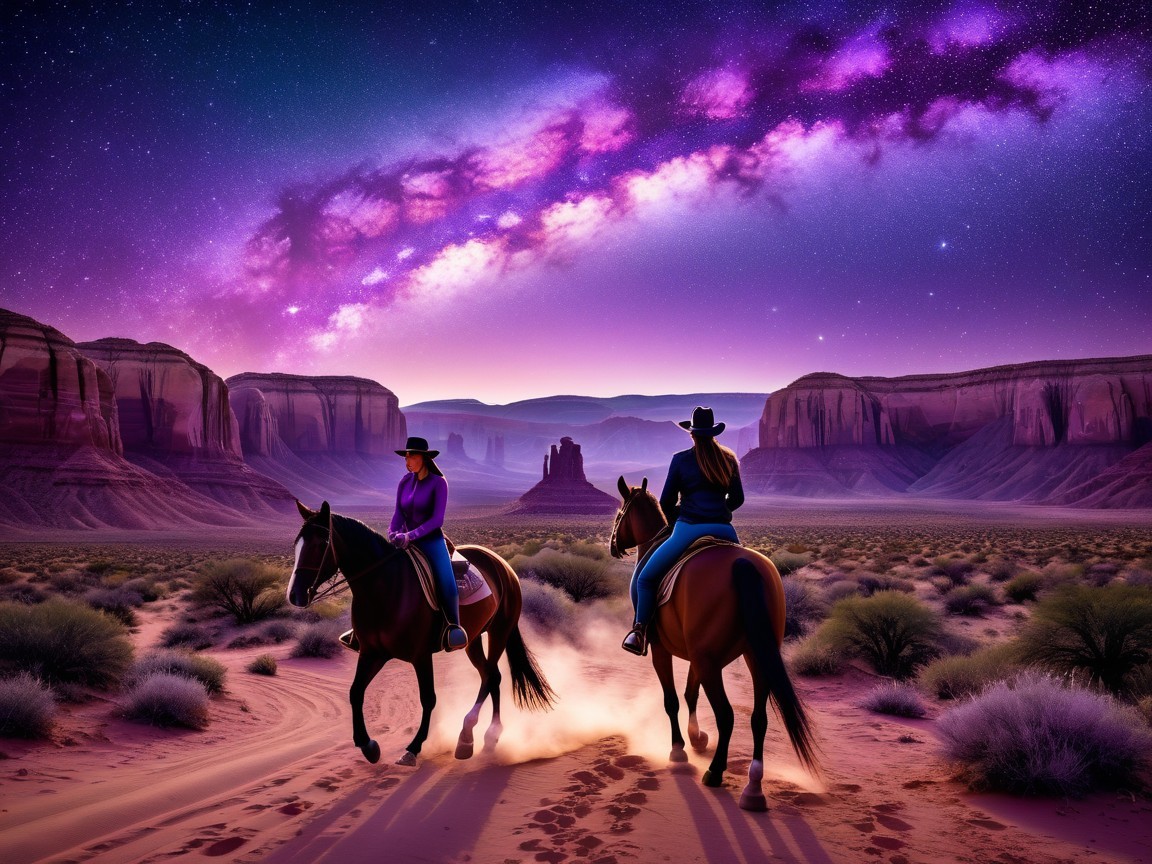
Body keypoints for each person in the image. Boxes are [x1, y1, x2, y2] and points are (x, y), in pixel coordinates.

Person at [622, 406, 745, 656]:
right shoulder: (729, 459)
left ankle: (640, 632)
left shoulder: (681, 459)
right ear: (713, 432)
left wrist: (681, 516)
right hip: (725, 530)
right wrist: (720, 510)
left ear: (691, 433)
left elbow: (666, 501)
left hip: (688, 529)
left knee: (645, 579)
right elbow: (738, 499)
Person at [389, 436, 468, 651]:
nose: (407, 460)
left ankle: (453, 627)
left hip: (431, 541)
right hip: (404, 539)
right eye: (406, 456)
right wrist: (392, 531)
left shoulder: (438, 483)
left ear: (423, 458)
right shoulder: (405, 481)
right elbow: (399, 512)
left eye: (412, 456)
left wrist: (411, 536)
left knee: (446, 580)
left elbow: (437, 520)